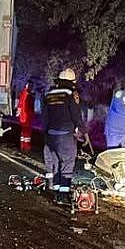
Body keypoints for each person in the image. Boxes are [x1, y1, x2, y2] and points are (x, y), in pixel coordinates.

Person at [43, 68, 84, 203]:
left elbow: (45, 117)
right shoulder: (71, 94)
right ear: (72, 82)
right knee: (67, 163)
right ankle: (63, 195)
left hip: (50, 135)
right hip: (65, 136)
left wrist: (46, 134)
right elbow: (76, 115)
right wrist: (83, 131)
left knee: (55, 163)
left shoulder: (49, 94)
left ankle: (55, 192)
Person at [16, 83, 34, 152]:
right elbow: (30, 107)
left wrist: (19, 112)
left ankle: (22, 145)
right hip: (27, 116)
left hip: (23, 116)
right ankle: (26, 146)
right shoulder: (28, 95)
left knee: (23, 132)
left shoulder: (23, 93)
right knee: (27, 132)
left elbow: (20, 104)